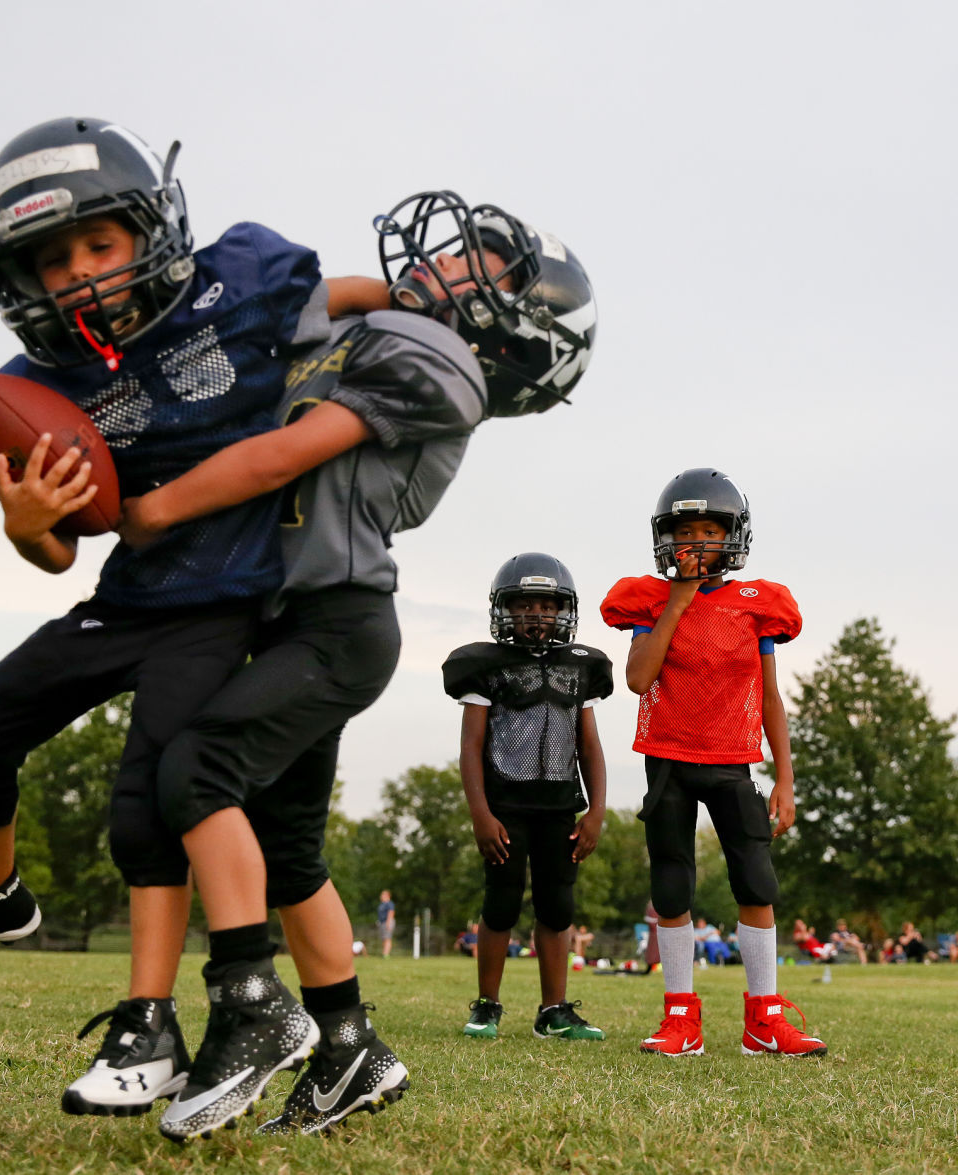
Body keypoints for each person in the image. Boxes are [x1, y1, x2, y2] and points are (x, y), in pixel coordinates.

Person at [0, 117, 384, 1116]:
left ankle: (150, 1019)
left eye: (96, 243)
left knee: (146, 798)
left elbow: (341, 300)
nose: (76, 272)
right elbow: (58, 548)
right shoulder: (31, 389)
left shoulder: (232, 291)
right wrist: (24, 523)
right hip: (131, 594)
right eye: (50, 259)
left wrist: (424, 304)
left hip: (228, 598)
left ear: (149, 228)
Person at [126, 193, 596, 1140]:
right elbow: (288, 309)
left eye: (484, 269)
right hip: (286, 617)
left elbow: (279, 451)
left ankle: (253, 1006)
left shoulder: (435, 377)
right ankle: (349, 1047)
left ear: (511, 330)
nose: (454, 264)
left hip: (332, 626)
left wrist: (156, 505)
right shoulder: (381, 336)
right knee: (290, 850)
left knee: (197, 769)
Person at [601, 469, 826, 1058]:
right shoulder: (648, 599)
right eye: (685, 532)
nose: (696, 543)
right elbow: (637, 677)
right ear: (665, 540)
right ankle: (681, 1017)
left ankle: (763, 1019)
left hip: (733, 759)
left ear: (733, 537)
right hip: (668, 758)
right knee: (672, 885)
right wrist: (677, 600)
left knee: (756, 881)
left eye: (709, 531)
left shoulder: (759, 605)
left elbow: (771, 697)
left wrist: (786, 777)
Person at [446, 553, 610, 1043]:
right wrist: (480, 814)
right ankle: (487, 1005)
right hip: (504, 808)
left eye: (546, 604)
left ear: (564, 609)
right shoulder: (483, 665)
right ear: (504, 609)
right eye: (524, 604)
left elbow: (590, 745)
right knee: (500, 903)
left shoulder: (582, 667)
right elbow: (470, 746)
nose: (537, 614)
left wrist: (597, 810)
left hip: (560, 807)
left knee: (557, 906)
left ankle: (554, 1010)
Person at [378, 890, 397, 959]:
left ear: (387, 896)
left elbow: (391, 913)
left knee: (387, 938)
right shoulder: (382, 904)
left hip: (387, 922)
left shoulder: (389, 903)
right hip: (382, 922)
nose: (381, 896)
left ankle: (386, 954)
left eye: (383, 895)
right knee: (384, 939)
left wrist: (388, 923)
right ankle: (384, 953)